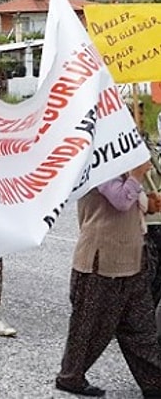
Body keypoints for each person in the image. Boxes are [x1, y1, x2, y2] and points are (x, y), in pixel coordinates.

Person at [55, 162, 161, 397]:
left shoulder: (125, 157)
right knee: (89, 325)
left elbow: (133, 201)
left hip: (133, 257)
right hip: (101, 259)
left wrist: (148, 203)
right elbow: (120, 199)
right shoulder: (100, 159)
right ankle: (70, 377)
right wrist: (137, 174)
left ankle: (154, 382)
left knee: (141, 328)